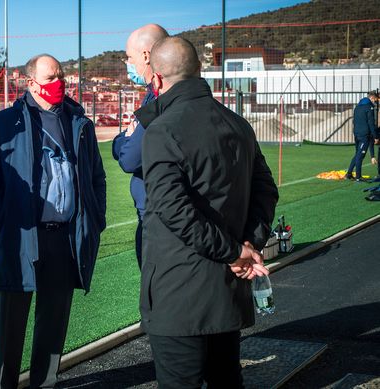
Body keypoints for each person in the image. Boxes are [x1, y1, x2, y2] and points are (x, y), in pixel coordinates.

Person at [136, 37, 279, 388]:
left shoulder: (162, 131)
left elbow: (174, 210)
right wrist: (248, 243)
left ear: (156, 79)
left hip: (179, 295)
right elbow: (266, 191)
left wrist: (234, 251)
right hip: (227, 291)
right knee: (226, 379)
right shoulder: (237, 123)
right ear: (199, 71)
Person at [0, 54, 106, 389]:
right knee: (10, 327)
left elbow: (96, 178)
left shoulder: (78, 121)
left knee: (53, 326)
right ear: (30, 83)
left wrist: (96, 219)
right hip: (23, 238)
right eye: (50, 78)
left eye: (60, 75)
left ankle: (44, 384)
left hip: (64, 239)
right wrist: (3, 219)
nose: (58, 83)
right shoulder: (7, 122)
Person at [112, 23, 168, 268]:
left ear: (146, 56)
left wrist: (123, 140)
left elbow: (129, 158)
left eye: (129, 57)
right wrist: (125, 140)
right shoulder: (152, 94)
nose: (128, 64)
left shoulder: (159, 97)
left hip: (159, 220)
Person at [345, 91, 379, 182]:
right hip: (364, 135)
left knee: (357, 154)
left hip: (356, 133)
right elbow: (371, 123)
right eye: (375, 99)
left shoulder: (357, 107)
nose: (375, 102)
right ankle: (358, 177)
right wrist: (375, 136)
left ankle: (348, 174)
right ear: (372, 98)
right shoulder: (369, 107)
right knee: (360, 156)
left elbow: (354, 121)